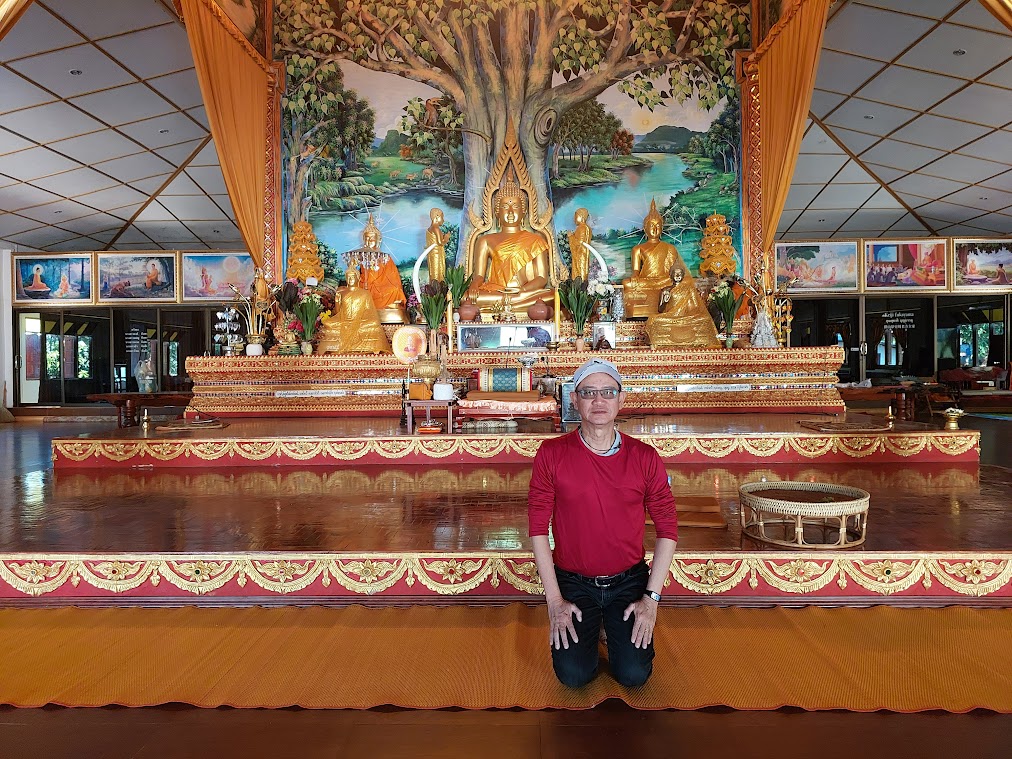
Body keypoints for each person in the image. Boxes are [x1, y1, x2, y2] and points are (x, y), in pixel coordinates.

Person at [528, 358, 678, 687]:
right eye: (589, 392)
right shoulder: (551, 454)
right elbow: (538, 528)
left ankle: (609, 625)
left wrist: (651, 600)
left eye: (608, 392)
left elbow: (668, 529)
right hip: (574, 581)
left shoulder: (645, 457)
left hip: (628, 580)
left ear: (621, 399)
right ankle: (597, 626)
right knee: (574, 676)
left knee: (634, 675)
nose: (599, 400)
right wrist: (554, 602)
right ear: (574, 399)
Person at [467, 168, 553, 311]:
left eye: (516, 206)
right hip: (497, 292)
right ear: (497, 211)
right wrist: (474, 285)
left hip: (524, 293)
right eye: (505, 207)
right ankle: (510, 304)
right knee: (467, 298)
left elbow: (542, 278)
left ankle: (507, 304)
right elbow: (479, 275)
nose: (511, 212)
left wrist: (522, 291)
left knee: (552, 295)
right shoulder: (485, 240)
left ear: (524, 211)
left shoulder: (536, 240)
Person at [622, 199, 694, 318]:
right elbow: (636, 271)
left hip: (666, 280)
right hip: (647, 280)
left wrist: (672, 280)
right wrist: (635, 277)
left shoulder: (670, 248)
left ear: (662, 229)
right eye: (651, 226)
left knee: (686, 281)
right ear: (645, 228)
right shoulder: (638, 249)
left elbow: (674, 271)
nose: (655, 229)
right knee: (626, 283)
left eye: (658, 226)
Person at [315, 265, 392, 355]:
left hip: (361, 322)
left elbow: (369, 311)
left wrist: (360, 319)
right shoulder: (341, 293)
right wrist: (337, 300)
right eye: (348, 277)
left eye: (352, 277)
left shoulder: (365, 293)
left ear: (358, 278)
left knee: (374, 323)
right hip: (344, 321)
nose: (350, 279)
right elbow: (337, 312)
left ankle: (372, 347)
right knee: (328, 323)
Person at [644, 266, 720, 349]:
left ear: (683, 275)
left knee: (705, 318)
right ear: (671, 275)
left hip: (687, 317)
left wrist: (690, 315)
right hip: (671, 317)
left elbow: (694, 307)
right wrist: (665, 302)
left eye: (680, 273)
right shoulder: (666, 290)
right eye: (675, 273)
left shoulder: (689, 289)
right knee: (654, 319)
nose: (677, 275)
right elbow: (660, 310)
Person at [567, 208, 593, 282]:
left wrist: (570, 236)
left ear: (581, 216)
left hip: (581, 255)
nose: (574, 219)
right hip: (581, 254)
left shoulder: (582, 228)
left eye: (576, 216)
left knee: (580, 273)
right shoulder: (585, 228)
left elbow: (579, 243)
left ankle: (580, 285)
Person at [425, 207, 449, 283]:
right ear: (437, 216)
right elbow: (440, 243)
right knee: (438, 272)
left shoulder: (430, 228)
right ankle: (437, 288)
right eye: (442, 217)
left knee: (433, 271)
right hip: (437, 254)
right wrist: (446, 238)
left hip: (432, 254)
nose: (443, 220)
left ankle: (434, 287)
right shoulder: (436, 228)